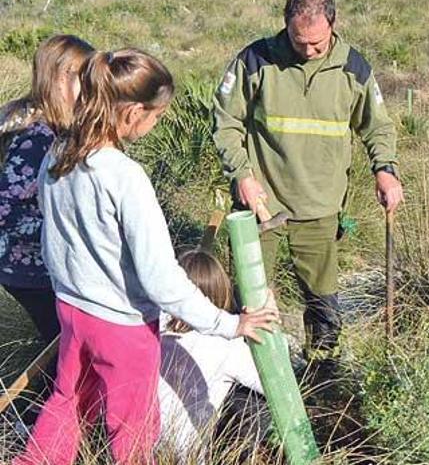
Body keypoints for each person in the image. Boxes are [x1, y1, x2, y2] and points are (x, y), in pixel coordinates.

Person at [15, 49, 279, 465]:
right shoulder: (124, 176)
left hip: (72, 310)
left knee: (67, 402)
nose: (156, 124)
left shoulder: (59, 154)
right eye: (156, 116)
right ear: (134, 112)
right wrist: (228, 324)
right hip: (122, 327)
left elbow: (54, 238)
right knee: (133, 433)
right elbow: (162, 279)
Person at [213, 0, 403, 358]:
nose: (308, 51)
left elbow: (377, 126)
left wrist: (385, 170)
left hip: (320, 203)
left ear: (332, 25)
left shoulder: (354, 68)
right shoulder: (256, 60)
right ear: (286, 26)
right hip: (260, 202)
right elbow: (226, 121)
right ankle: (252, 377)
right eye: (299, 42)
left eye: (317, 44)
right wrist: (242, 176)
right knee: (250, 298)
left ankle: (322, 374)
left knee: (322, 301)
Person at [0, 35, 94, 344]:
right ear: (60, 78)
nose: (92, 89)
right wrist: (65, 228)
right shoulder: (35, 136)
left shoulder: (42, 124)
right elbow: (6, 208)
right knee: (67, 345)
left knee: (64, 344)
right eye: (85, 78)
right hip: (29, 266)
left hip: (34, 263)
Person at [159, 248, 273, 464]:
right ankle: (232, 459)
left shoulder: (152, 329)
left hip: (138, 445)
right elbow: (274, 384)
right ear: (223, 292)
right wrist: (269, 325)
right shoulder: (227, 347)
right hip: (187, 456)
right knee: (255, 400)